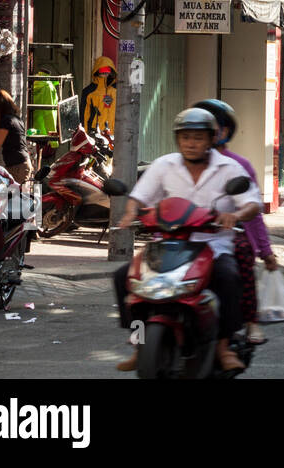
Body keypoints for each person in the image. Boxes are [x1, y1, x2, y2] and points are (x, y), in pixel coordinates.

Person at [112, 107, 261, 373]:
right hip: (166, 244)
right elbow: (140, 196)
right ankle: (139, 345)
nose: (191, 143)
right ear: (177, 139)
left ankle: (223, 347)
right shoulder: (164, 165)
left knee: (228, 278)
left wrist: (235, 215)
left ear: (211, 139)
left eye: (198, 138)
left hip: (213, 245)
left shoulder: (230, 167)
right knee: (124, 277)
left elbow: (252, 203)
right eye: (186, 137)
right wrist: (130, 213)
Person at [194, 100, 279, 346]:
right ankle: (143, 340)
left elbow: (252, 211)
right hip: (185, 236)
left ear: (225, 131)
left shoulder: (238, 165)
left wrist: (265, 251)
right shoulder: (173, 162)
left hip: (227, 234)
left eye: (216, 127)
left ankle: (249, 322)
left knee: (240, 260)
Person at [0, 90, 29, 185]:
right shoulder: (17, 119)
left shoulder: (6, 121)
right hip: (22, 163)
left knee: (13, 198)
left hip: (17, 166)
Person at [80, 56, 118, 134]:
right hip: (95, 133)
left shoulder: (117, 90)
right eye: (102, 71)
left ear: (111, 71)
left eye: (107, 71)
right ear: (97, 71)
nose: (105, 73)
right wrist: (85, 134)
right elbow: (84, 115)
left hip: (114, 133)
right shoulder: (89, 91)